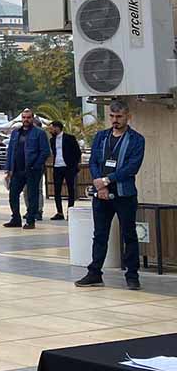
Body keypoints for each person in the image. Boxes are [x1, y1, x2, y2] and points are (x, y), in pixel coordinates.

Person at [76, 101, 146, 290]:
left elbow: (132, 167)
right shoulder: (101, 137)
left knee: (129, 235)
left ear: (127, 117)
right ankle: (94, 273)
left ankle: (132, 275)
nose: (115, 120)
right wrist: (100, 185)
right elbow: (93, 162)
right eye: (112, 117)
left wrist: (107, 181)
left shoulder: (136, 140)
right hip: (101, 195)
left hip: (124, 195)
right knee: (99, 234)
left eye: (119, 117)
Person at [4, 109, 50, 229]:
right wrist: (8, 168)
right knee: (13, 194)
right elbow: (10, 151)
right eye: (24, 117)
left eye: (28, 117)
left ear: (32, 118)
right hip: (17, 170)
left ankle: (30, 220)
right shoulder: (15, 133)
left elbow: (45, 151)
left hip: (32, 170)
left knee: (32, 195)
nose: (26, 120)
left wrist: (36, 165)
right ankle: (15, 218)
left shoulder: (39, 133)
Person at [48, 120, 82, 221]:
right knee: (57, 190)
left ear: (57, 127)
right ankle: (59, 212)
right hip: (57, 166)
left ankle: (70, 211)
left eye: (52, 128)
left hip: (68, 167)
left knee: (71, 189)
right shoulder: (52, 140)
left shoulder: (69, 138)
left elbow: (77, 152)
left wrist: (74, 165)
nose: (51, 130)